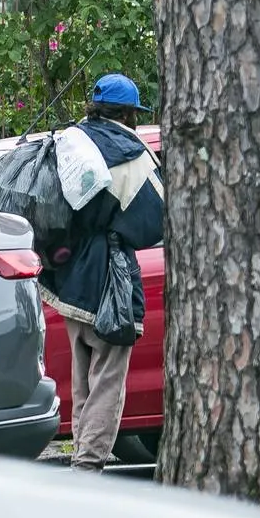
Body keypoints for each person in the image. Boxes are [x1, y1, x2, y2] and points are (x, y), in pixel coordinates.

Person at [38, 73, 165, 473]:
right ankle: (88, 465)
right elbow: (152, 224)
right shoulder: (132, 154)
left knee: (82, 379)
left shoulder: (70, 142)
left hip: (66, 278)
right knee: (108, 379)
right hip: (108, 279)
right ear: (127, 113)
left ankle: (81, 454)